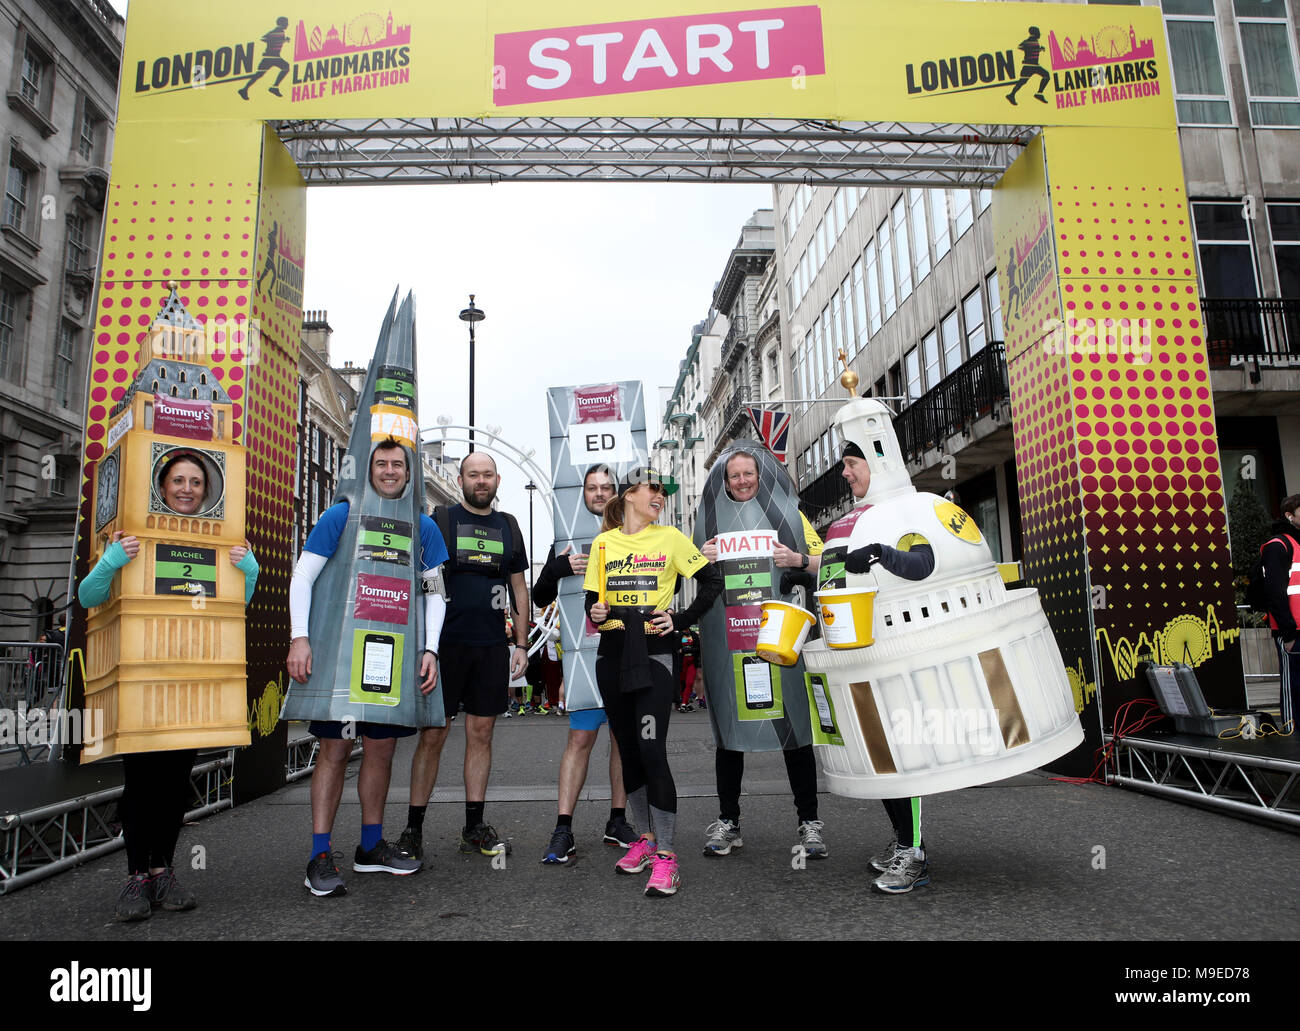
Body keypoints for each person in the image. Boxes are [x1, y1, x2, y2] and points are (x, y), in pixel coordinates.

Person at [79, 451, 259, 921]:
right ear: (161, 485)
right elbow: (88, 597)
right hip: (144, 681)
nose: (186, 488)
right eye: (177, 479)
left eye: (195, 482)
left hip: (192, 685)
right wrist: (111, 561)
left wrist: (250, 573)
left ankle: (163, 872)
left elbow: (237, 605)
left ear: (207, 490)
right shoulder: (130, 538)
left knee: (176, 787)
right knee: (141, 785)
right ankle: (138, 877)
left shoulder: (222, 544)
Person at [289, 438, 446, 897]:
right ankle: (319, 855)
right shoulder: (341, 515)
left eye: (398, 464)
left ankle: (370, 847)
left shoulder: (423, 527)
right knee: (335, 751)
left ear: (409, 473)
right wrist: (300, 636)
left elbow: (434, 594)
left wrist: (430, 649)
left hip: (390, 660)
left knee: (380, 752)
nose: (390, 470)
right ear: (369, 469)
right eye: (382, 463)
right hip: (339, 657)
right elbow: (304, 575)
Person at [786, 441, 935, 894]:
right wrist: (803, 569)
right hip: (854, 655)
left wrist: (880, 553)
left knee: (898, 756)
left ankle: (914, 854)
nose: (845, 474)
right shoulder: (851, 518)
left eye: (852, 465)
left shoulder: (904, 510)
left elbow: (926, 562)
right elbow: (839, 572)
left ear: (878, 463)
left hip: (893, 649)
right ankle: (903, 841)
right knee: (878, 754)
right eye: (845, 466)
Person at [584, 467, 722, 897]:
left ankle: (667, 857)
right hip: (611, 656)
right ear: (629, 495)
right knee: (629, 753)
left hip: (655, 656)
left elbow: (712, 582)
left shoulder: (671, 539)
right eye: (653, 489)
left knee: (651, 751)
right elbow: (593, 601)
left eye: (664, 491)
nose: (660, 496)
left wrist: (679, 620)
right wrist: (596, 613)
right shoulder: (604, 543)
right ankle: (643, 840)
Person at [398, 452, 529, 860]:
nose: (481, 481)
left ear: (497, 479)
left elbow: (518, 588)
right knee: (433, 735)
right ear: (461, 479)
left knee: (481, 734)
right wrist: (425, 646)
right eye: (474, 474)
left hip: (490, 647)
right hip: (445, 646)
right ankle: (412, 829)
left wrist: (521, 644)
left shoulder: (509, 526)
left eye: (487, 474)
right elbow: (424, 580)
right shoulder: (442, 520)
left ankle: (473, 827)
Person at [699, 450, 828, 859]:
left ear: (760, 475)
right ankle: (729, 822)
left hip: (779, 637)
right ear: (724, 481)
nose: (741, 481)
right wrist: (700, 561)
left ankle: (809, 823)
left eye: (747, 473)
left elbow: (827, 563)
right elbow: (682, 575)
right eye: (733, 475)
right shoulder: (710, 526)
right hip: (730, 641)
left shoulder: (791, 517)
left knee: (795, 733)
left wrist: (797, 560)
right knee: (730, 736)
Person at [535, 464, 637, 864]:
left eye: (606, 487)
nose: (599, 494)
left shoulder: (635, 534)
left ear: (618, 491)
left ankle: (617, 820)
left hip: (625, 649)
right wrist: (559, 568)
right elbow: (542, 594)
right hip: (583, 653)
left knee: (621, 738)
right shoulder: (567, 538)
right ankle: (563, 829)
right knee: (581, 738)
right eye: (592, 488)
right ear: (582, 493)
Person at [1260, 494, 1300, 732]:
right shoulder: (1278, 546)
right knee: (1294, 685)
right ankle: (1291, 732)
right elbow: (1275, 592)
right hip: (1293, 630)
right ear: (1290, 516)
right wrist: (1288, 632)